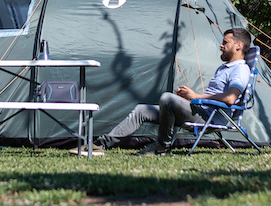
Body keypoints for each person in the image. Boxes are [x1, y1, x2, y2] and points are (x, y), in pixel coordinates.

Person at [71, 27, 252, 156]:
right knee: (142, 110)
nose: (221, 45)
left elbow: (230, 98)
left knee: (167, 97)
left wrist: (196, 96)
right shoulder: (224, 68)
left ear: (238, 46)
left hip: (210, 118)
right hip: (201, 111)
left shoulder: (240, 69)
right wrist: (193, 100)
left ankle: (162, 146)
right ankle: (100, 144)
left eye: (225, 42)